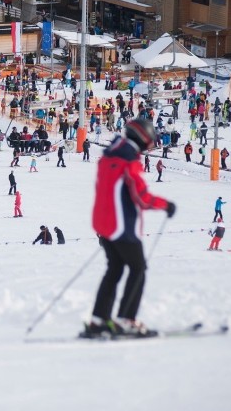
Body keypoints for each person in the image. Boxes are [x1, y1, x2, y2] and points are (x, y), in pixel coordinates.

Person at [85, 118, 176, 338]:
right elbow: (142, 197)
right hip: (122, 226)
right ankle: (126, 320)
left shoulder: (109, 156)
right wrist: (167, 205)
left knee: (114, 269)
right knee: (138, 269)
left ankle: (99, 320)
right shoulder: (129, 160)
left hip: (103, 224)